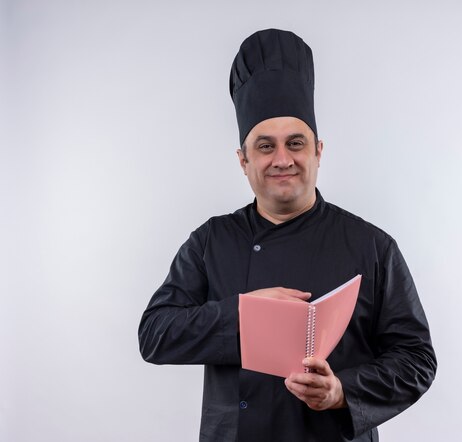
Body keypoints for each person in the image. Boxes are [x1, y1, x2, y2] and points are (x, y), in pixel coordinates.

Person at [139, 28, 436, 442]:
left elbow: (417, 359)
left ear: (318, 151)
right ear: (243, 161)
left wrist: (342, 392)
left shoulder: (372, 246)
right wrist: (244, 314)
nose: (282, 159)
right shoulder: (211, 241)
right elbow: (155, 335)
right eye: (265, 146)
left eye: (295, 143)